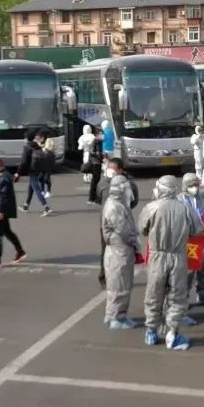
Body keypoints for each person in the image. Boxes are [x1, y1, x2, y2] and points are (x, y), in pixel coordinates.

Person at [139, 175, 204, 351]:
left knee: (154, 294)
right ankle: (173, 333)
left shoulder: (151, 207)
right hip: (178, 256)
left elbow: (143, 229)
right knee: (177, 296)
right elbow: (197, 230)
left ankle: (151, 331)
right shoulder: (185, 208)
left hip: (157, 256)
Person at [101, 175, 140, 330]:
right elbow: (123, 229)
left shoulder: (119, 204)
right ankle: (116, 317)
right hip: (119, 251)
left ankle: (114, 314)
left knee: (120, 283)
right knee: (119, 285)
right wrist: (135, 241)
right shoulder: (114, 207)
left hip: (121, 250)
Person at [97, 158, 140, 287]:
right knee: (106, 249)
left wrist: (124, 210)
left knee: (126, 250)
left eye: (113, 168)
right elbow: (98, 196)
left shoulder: (129, 184)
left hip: (124, 222)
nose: (110, 171)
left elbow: (134, 200)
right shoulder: (103, 182)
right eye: (109, 168)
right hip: (106, 222)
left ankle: (124, 276)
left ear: (121, 170)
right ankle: (104, 276)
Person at [180, 172, 204, 307]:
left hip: (203, 238)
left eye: (196, 185)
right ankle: (183, 299)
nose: (194, 188)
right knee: (188, 271)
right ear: (185, 186)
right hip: (188, 240)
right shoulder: (179, 200)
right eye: (191, 185)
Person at [0, 157, 27, 268]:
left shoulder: (3, 177)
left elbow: (4, 196)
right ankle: (20, 251)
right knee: (7, 231)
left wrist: (0, 210)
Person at [17, 132, 54, 216]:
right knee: (31, 188)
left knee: (37, 189)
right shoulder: (37, 145)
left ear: (26, 139)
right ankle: (26, 206)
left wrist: (18, 172)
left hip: (32, 170)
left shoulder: (27, 147)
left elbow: (24, 162)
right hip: (39, 169)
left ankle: (46, 207)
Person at [86, 129, 105, 205]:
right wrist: (99, 154)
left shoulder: (99, 142)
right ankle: (92, 198)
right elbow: (92, 152)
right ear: (96, 135)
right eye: (100, 134)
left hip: (97, 162)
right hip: (95, 163)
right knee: (95, 180)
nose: (102, 135)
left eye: (102, 134)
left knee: (96, 180)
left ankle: (94, 198)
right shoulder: (95, 142)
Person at [41, 133, 57, 197]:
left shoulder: (49, 140)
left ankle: (48, 191)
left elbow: (49, 149)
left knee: (46, 177)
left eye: (41, 137)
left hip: (48, 162)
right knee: (41, 177)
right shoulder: (42, 143)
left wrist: (43, 148)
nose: (40, 139)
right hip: (43, 162)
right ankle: (42, 191)